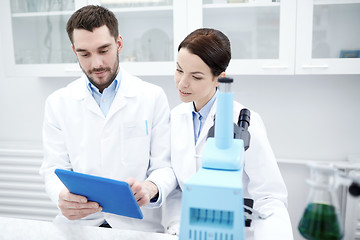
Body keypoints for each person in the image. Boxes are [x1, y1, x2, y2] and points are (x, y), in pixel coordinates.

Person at [39, 5, 177, 232]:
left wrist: (150, 188)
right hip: (80, 225)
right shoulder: (58, 102)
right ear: (74, 51)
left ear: (119, 44)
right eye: (85, 54)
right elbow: (53, 168)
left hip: (136, 226)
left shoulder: (152, 97)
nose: (96, 64)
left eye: (104, 50)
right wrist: (62, 196)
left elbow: (166, 167)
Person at [165, 28, 293, 239]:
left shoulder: (243, 121)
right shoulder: (175, 117)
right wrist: (176, 227)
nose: (182, 83)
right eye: (179, 70)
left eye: (196, 77)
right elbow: (179, 189)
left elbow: (270, 197)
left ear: (219, 78)